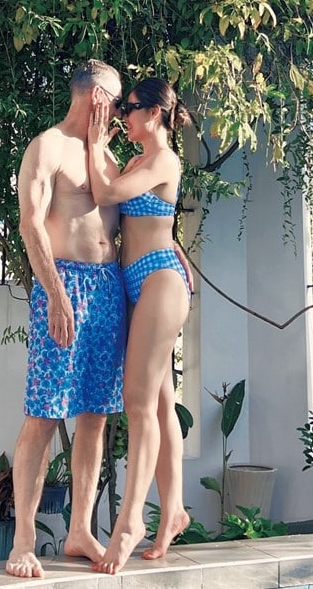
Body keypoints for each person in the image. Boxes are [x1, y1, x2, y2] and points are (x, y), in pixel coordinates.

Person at [5, 59, 128, 578]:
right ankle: (23, 541)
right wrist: (56, 295)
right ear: (97, 97)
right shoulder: (48, 146)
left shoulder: (106, 156)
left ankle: (80, 530)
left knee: (95, 416)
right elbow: (30, 223)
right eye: (117, 101)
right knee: (43, 414)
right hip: (65, 286)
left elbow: (133, 223)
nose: (120, 112)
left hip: (107, 290)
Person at [87, 77, 192, 574]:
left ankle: (130, 521)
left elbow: (106, 191)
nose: (122, 115)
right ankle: (174, 510)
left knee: (137, 403)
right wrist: (101, 148)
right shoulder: (137, 161)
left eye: (129, 108)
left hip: (159, 283)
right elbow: (132, 210)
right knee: (161, 401)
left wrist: (94, 143)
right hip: (138, 283)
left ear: (154, 113)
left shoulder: (164, 160)